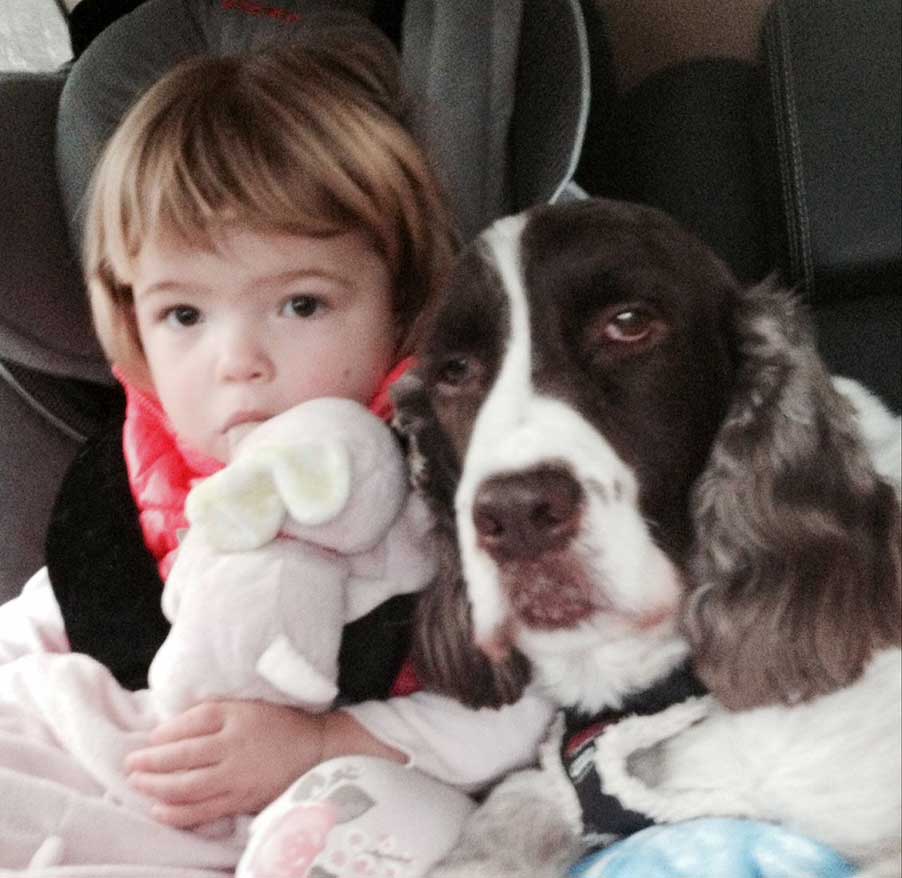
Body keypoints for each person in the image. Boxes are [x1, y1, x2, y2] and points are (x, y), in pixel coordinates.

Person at [0, 24, 553, 875]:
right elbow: (31, 634)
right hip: (117, 789)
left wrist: (323, 739)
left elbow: (517, 707)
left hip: (339, 790)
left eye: (300, 305)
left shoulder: (441, 494)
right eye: (185, 316)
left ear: (400, 307)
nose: (238, 362)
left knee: (378, 822)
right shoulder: (126, 491)